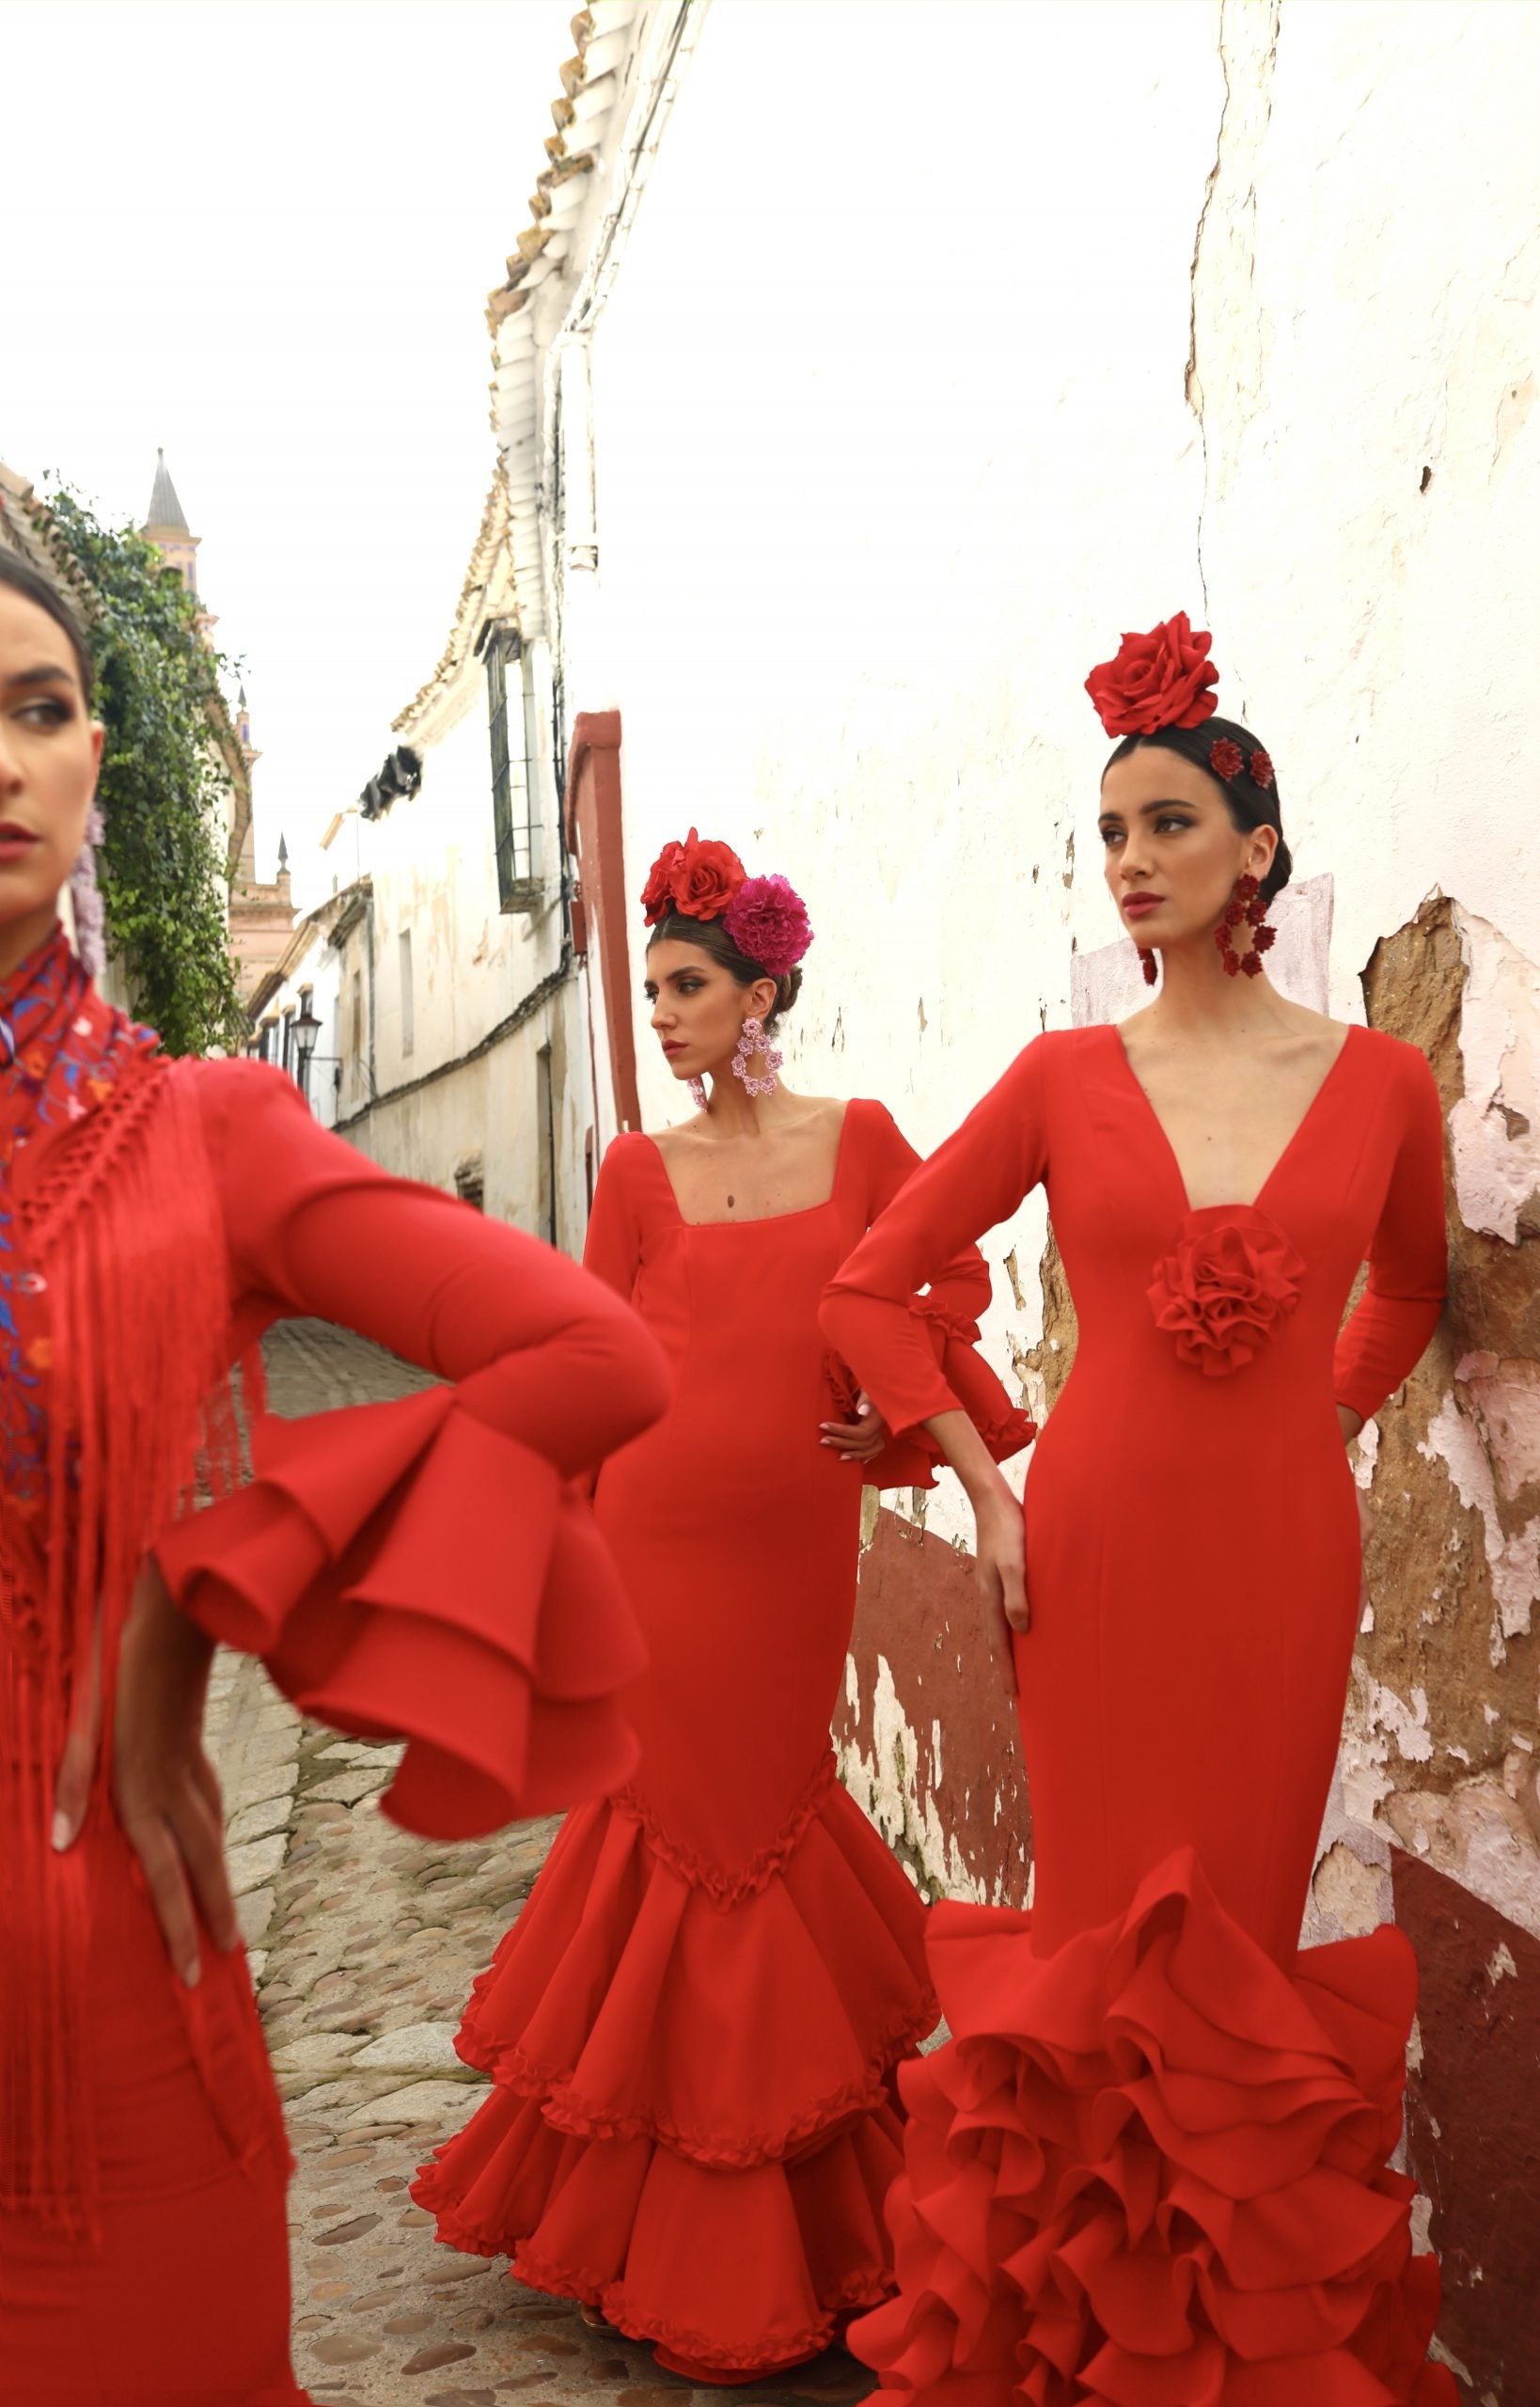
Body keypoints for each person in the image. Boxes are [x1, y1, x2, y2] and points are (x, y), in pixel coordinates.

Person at [0, 548, 670, 2404]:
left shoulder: (204, 1136)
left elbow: (595, 1354)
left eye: (38, 708)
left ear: (94, 755)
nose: (3, 756)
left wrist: (189, 1583)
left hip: (88, 1976)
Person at [820, 615, 1455, 2404]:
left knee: (1233, 1946)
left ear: (1257, 850)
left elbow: (1409, 1291)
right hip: (1085, 1561)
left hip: (1281, 1567)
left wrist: (1315, 1426)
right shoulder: (1058, 1078)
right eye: (1109, 832)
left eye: (1167, 824)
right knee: (1100, 1950)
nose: (1130, 861)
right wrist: (981, 1485)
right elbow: (867, 1288)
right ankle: (1077, 2353)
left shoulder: (1382, 1082)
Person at [413, 828, 1033, 2383]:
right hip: (657, 1541)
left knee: (768, 1808)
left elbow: (944, 1282)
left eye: (686, 987)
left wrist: (887, 1418)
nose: (663, 1016)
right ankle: (673, 2225)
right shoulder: (636, 1168)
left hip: (792, 1547)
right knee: (675, 1821)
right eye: (652, 991)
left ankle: (799, 2203)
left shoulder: (864, 1139)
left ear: (759, 993)